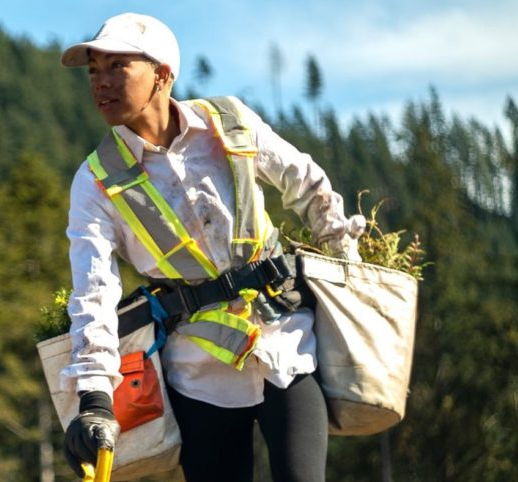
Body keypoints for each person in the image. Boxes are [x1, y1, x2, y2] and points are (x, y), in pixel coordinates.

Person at [59, 12, 364, 482]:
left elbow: (308, 184)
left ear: (162, 74)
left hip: (286, 344)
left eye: (116, 66)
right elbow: (93, 293)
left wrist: (349, 269)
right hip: (198, 376)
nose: (100, 82)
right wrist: (95, 397)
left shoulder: (230, 123)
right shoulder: (94, 181)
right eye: (93, 70)